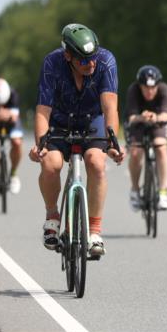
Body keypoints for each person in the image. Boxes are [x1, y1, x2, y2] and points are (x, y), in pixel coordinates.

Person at [29, 23, 124, 258]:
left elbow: (110, 106)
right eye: (83, 60)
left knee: (96, 163)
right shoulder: (52, 64)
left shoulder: (105, 61)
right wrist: (40, 144)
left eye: (92, 58)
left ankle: (94, 232)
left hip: (93, 122)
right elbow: (43, 110)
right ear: (68, 55)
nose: (90, 64)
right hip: (60, 122)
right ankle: (52, 217)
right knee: (51, 164)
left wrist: (113, 142)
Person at [125, 65, 167, 211]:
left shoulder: (165, 90)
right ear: (140, 86)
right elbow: (132, 117)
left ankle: (163, 192)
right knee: (135, 152)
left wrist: (155, 117)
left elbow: (166, 116)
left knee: (161, 147)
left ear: (158, 85)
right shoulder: (133, 90)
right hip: (137, 122)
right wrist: (142, 117)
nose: (149, 91)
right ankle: (134, 190)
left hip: (157, 121)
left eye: (153, 88)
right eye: (145, 88)